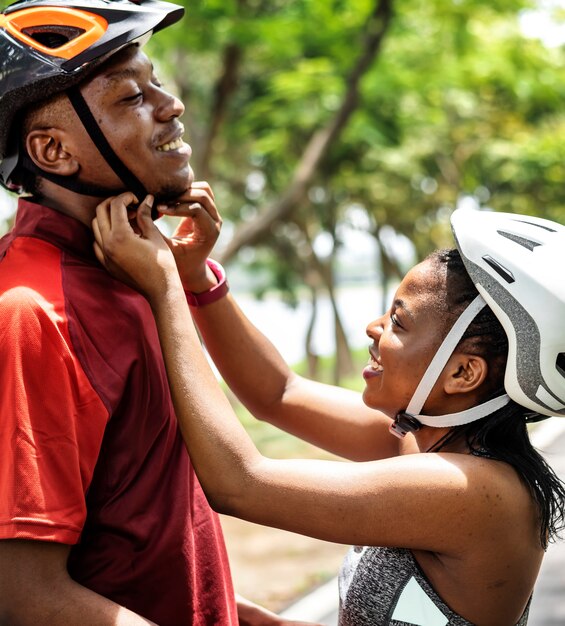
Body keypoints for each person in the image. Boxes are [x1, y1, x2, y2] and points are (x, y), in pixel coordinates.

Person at [92, 189, 565, 626]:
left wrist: (165, 287)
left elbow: (239, 484)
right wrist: (197, 277)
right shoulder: (420, 443)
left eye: (398, 322)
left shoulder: (470, 489)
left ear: (464, 373)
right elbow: (279, 394)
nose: (373, 328)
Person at [0, 1, 312, 624]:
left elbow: (135, 531)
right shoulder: (31, 313)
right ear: (54, 151)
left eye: (158, 83)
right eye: (130, 98)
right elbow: (22, 594)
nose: (171, 106)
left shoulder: (130, 271)